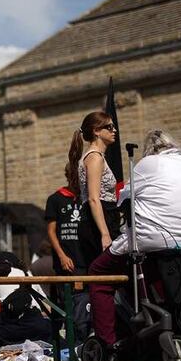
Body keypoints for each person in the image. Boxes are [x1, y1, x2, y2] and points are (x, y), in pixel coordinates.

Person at [89, 130, 181, 346]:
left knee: (99, 273)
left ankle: (108, 343)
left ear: (151, 151)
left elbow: (123, 200)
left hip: (160, 244)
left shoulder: (149, 164)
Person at [69, 111, 122, 269]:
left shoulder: (97, 157)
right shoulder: (94, 158)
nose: (114, 130)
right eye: (109, 127)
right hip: (99, 220)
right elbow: (93, 198)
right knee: (107, 272)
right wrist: (105, 234)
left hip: (102, 217)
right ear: (96, 131)